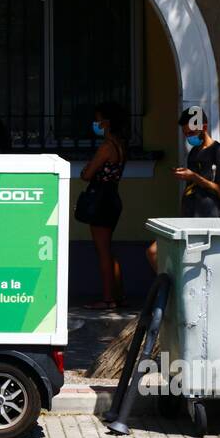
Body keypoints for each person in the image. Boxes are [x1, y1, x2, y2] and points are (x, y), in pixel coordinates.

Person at [148, 107, 220, 270]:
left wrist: (194, 177)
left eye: (191, 133)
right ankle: (170, 286)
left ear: (204, 127)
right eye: (186, 134)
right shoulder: (194, 152)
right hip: (189, 218)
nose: (189, 137)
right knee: (154, 252)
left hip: (208, 221)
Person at [78, 102, 127, 309]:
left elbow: (87, 174)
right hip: (112, 198)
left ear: (106, 122)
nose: (95, 123)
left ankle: (108, 299)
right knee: (108, 249)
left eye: (98, 120)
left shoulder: (107, 146)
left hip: (101, 201)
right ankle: (118, 295)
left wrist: (86, 170)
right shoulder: (120, 145)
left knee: (103, 251)